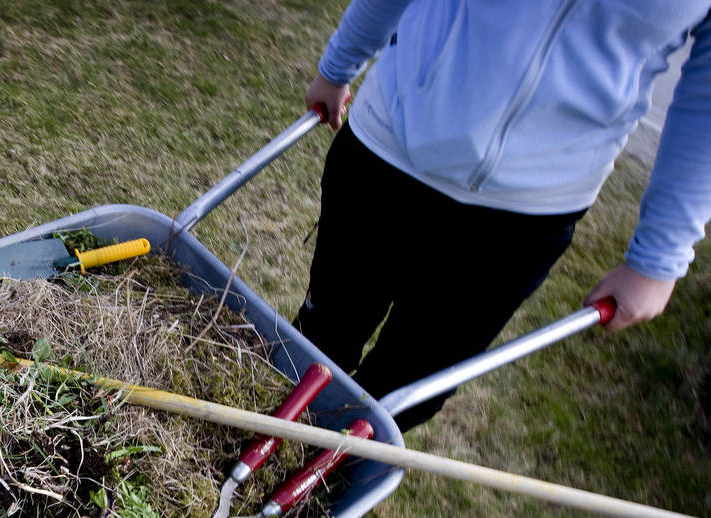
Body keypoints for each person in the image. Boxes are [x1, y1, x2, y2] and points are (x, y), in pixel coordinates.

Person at [294, 0, 711, 430]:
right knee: (319, 339)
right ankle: (253, 454)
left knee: (406, 393)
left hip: (526, 217)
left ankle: (317, 485)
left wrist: (659, 261)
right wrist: (337, 67)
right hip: (387, 153)